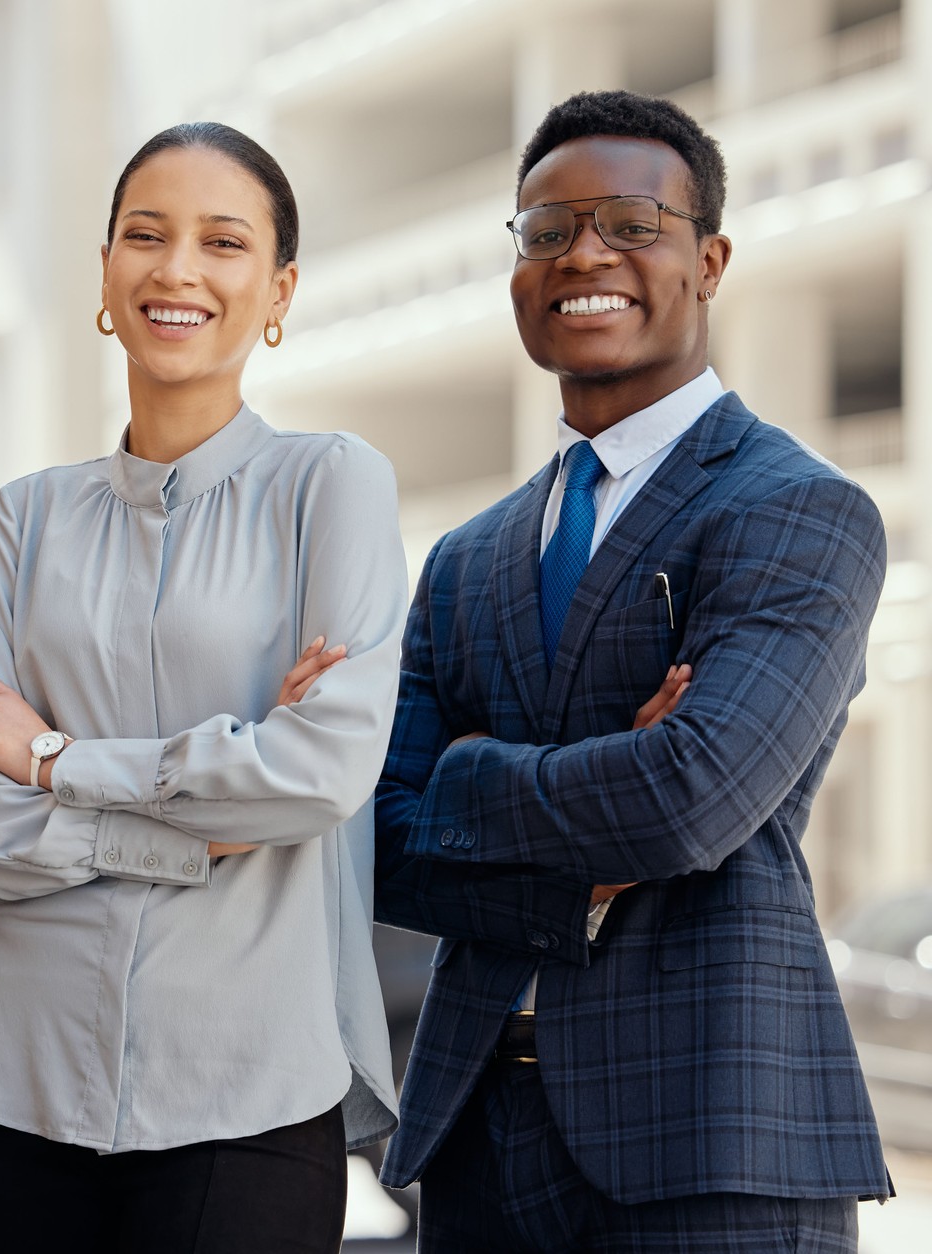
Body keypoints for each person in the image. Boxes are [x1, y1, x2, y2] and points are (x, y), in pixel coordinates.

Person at [374, 89, 892, 1253]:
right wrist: (587, 863)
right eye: (546, 231)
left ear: (708, 260)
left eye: (628, 223)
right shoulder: (465, 559)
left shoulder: (799, 509)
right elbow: (385, 842)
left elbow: (689, 798)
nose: (584, 254)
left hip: (711, 1137)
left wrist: (468, 777)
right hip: (475, 1138)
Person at [0, 122, 407, 1254]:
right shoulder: (24, 517)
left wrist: (53, 759)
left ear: (278, 287)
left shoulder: (331, 488)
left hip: (245, 1099)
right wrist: (197, 830)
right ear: (105, 272)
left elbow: (316, 774)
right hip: (15, 1094)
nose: (178, 268)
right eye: (146, 234)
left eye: (223, 242)